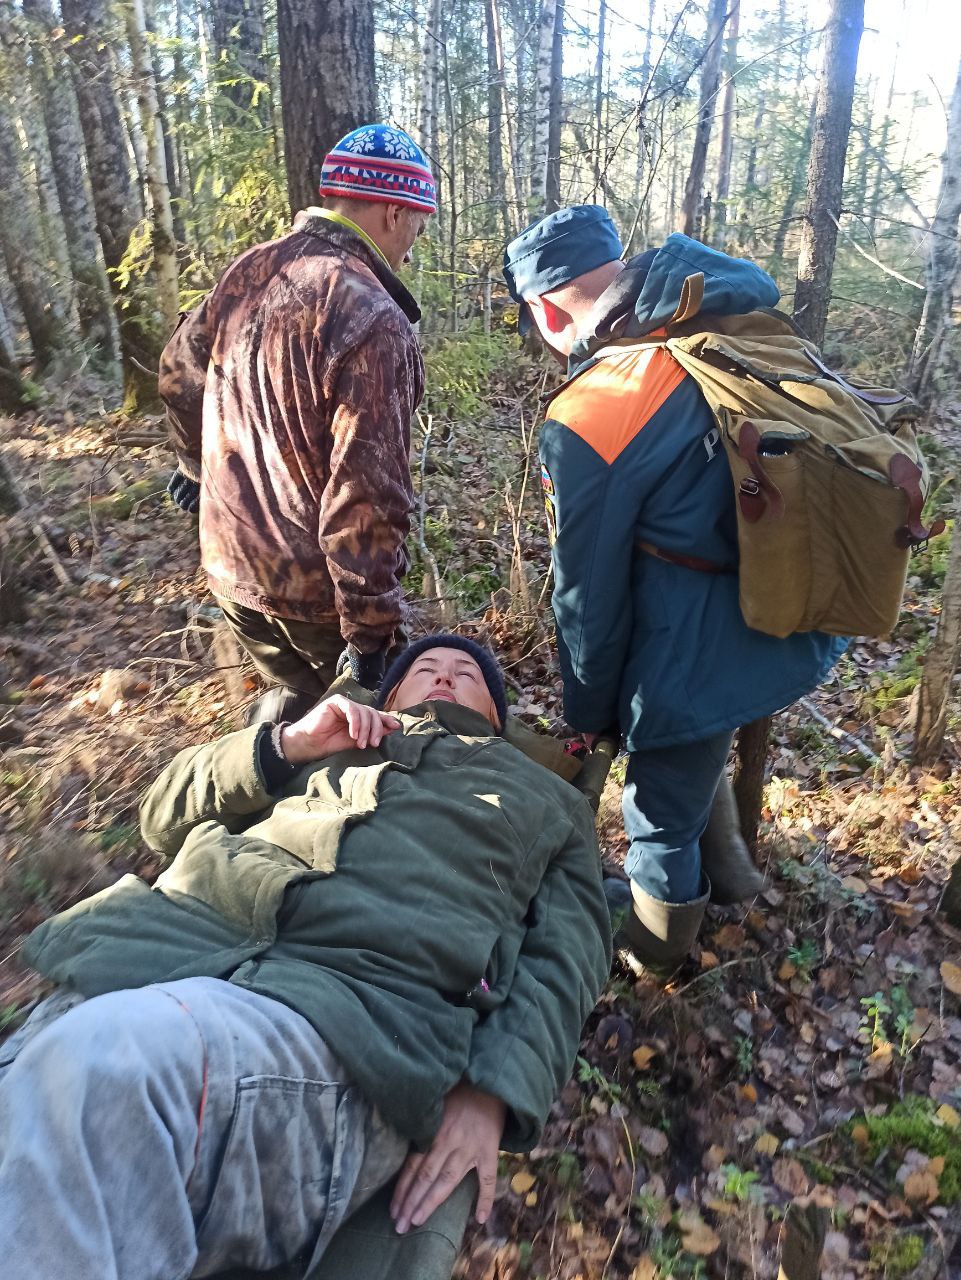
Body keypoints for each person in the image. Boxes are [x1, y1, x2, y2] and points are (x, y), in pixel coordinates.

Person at [0, 634, 610, 1280]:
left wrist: (493, 1092)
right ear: (389, 696)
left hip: (346, 1021)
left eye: (466, 673)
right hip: (143, 955)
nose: (443, 676)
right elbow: (160, 818)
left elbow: (570, 951)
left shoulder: (545, 797)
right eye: (425, 667)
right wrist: (285, 746)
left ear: (495, 714)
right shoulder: (324, 737)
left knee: (97, 1077)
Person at [503, 206, 846, 972]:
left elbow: (585, 599)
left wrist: (588, 718)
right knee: (695, 758)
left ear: (546, 308)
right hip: (796, 613)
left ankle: (658, 961)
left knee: (657, 818)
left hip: (699, 648)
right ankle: (727, 881)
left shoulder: (594, 406)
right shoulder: (723, 324)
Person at [159, 124, 438, 718]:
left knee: (298, 717)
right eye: (418, 224)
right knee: (372, 740)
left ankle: (263, 761)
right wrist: (369, 633)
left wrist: (193, 467)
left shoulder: (248, 270)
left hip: (231, 567)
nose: (414, 246)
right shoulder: (372, 316)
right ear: (394, 212)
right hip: (317, 598)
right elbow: (366, 492)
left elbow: (178, 374)